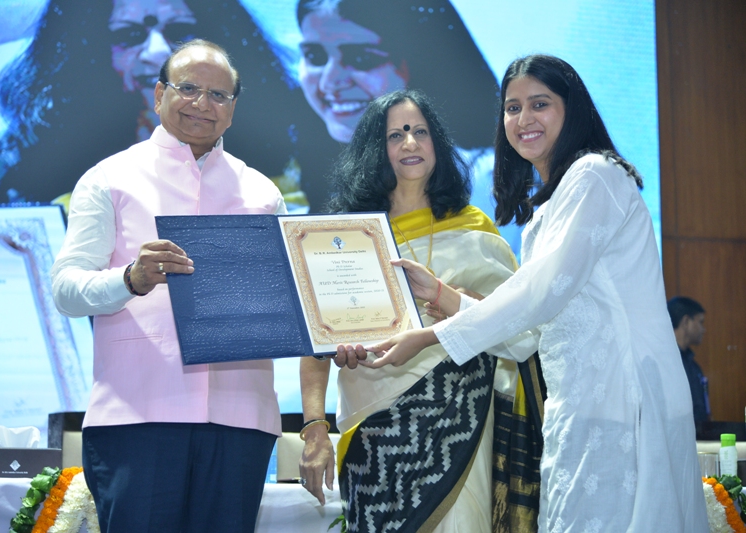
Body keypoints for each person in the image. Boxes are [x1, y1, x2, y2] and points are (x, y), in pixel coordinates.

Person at [345, 55, 709, 531]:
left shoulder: (595, 174)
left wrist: (429, 336)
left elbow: (540, 293)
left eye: (540, 104)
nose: (524, 119)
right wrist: (441, 294)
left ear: (572, 109)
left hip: (626, 398)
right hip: (575, 407)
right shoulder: (546, 212)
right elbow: (523, 339)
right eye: (512, 108)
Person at [51, 39, 285, 532]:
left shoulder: (263, 192)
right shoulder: (110, 178)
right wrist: (130, 279)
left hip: (241, 417)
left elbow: (290, 296)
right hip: (137, 415)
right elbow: (66, 289)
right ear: (159, 95)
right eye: (188, 88)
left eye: (218, 95)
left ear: (233, 109)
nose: (202, 104)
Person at [298, 88, 545, 532]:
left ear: (437, 143)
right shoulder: (342, 235)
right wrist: (315, 426)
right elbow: (314, 342)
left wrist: (452, 299)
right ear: (375, 149)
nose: (409, 143)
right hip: (371, 422)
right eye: (395, 135)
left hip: (462, 419)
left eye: (420, 132)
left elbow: (517, 327)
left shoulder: (474, 229)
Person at [0, 0, 305, 211]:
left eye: (181, 32)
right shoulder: (20, 172)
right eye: (128, 36)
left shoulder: (287, 157)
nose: (158, 52)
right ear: (88, 51)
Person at [293, 0, 522, 255]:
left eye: (361, 58)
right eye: (315, 57)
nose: (330, 82)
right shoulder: (300, 188)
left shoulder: (491, 182)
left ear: (419, 64)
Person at [668, 296, 710, 425]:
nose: (704, 329)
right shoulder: (666, 363)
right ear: (686, 322)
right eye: (700, 322)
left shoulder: (692, 365)